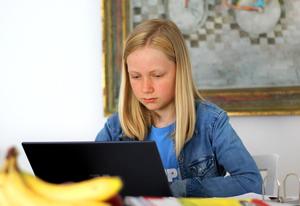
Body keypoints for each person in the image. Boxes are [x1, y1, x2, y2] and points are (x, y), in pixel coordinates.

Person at [95, 18, 262, 197]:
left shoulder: (211, 122)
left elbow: (251, 182)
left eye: (157, 75)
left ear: (179, 71)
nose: (146, 88)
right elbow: (85, 183)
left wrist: (180, 189)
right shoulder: (116, 127)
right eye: (135, 76)